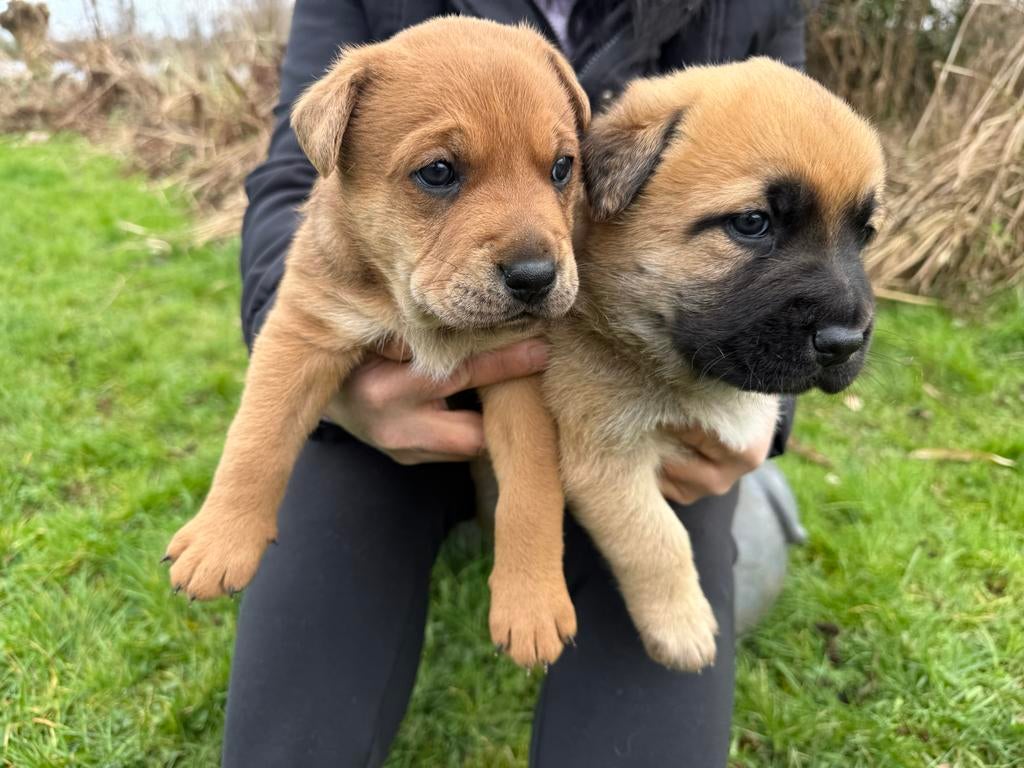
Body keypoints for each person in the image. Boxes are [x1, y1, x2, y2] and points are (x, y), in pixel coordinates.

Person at [224, 1, 806, 765]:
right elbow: (292, 181)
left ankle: (757, 513)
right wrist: (330, 366)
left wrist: (771, 392)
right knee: (296, 725)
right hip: (384, 392)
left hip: (634, 397)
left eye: (561, 169)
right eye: (439, 172)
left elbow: (799, 214)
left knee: (657, 677)